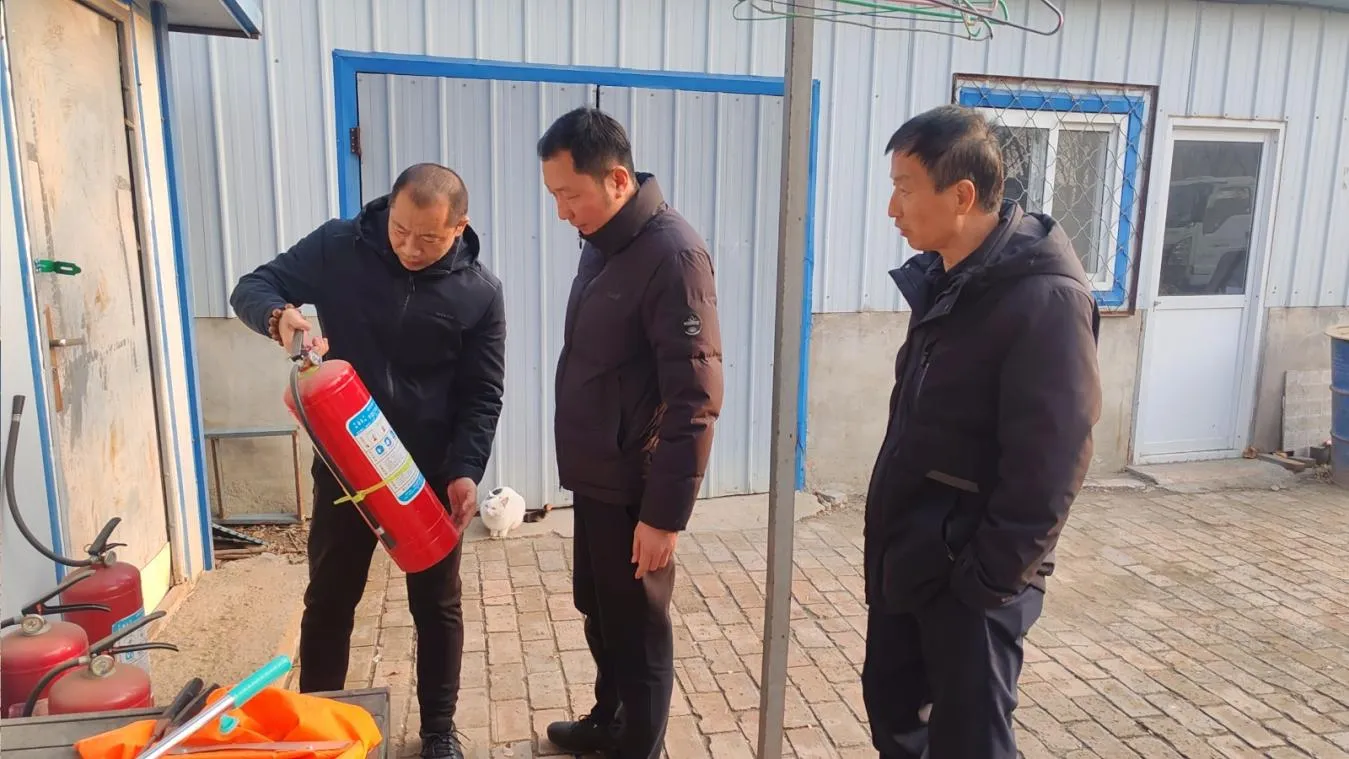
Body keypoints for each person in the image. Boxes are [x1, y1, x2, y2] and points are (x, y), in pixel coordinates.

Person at [229, 163, 506, 759]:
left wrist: (466, 469)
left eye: (428, 238)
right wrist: (279, 317)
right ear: (389, 209)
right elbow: (252, 286)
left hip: (424, 475)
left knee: (437, 605)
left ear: (458, 229)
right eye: (400, 230)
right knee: (330, 599)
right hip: (345, 466)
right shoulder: (339, 246)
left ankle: (439, 731)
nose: (409, 248)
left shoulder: (479, 293)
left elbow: (483, 393)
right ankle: (318, 725)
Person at [861, 104, 1102, 759]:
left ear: (962, 196)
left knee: (970, 742)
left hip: (972, 579)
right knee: (893, 713)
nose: (892, 209)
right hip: (912, 557)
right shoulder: (948, 280)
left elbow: (1051, 462)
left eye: (905, 189)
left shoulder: (1044, 299)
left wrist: (986, 581)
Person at [536, 107, 724, 759]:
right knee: (599, 608)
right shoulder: (603, 241)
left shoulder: (673, 255)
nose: (562, 212)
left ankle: (637, 745)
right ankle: (608, 720)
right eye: (554, 196)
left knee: (639, 629)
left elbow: (695, 395)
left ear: (617, 179)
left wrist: (663, 516)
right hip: (597, 474)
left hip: (636, 487)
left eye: (570, 195)